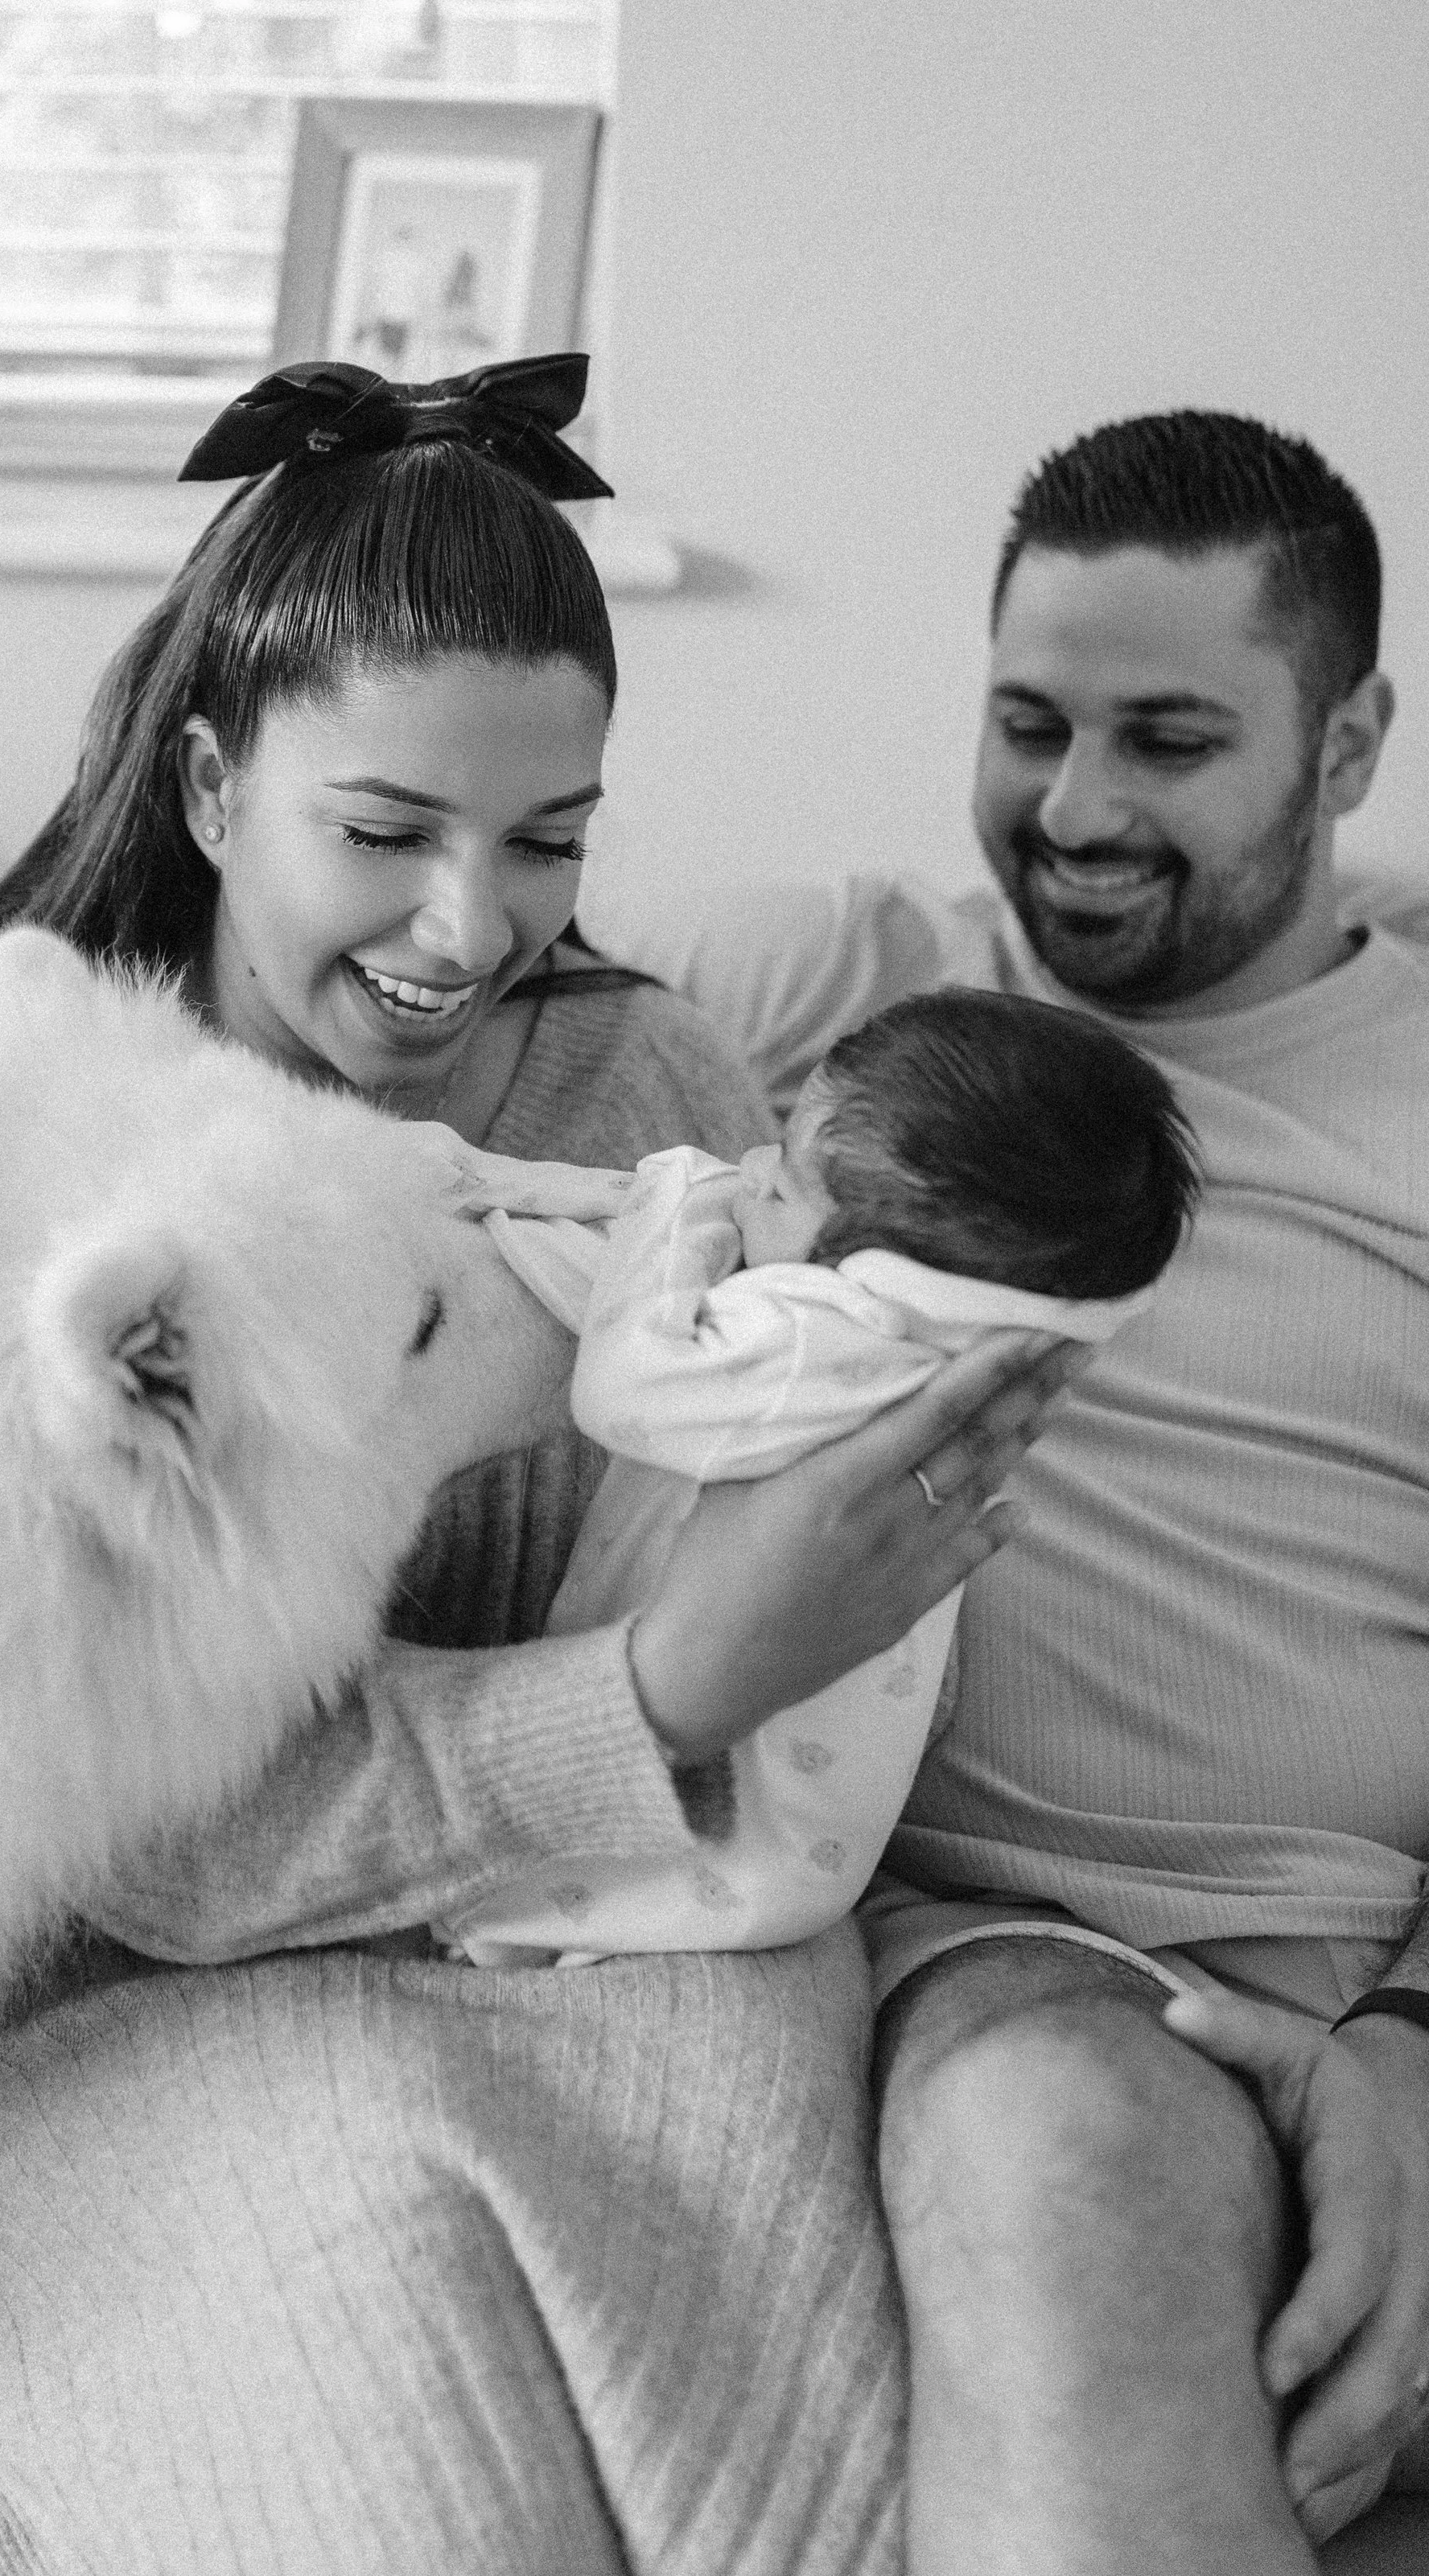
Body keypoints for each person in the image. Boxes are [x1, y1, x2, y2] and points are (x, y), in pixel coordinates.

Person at [0, 357, 1074, 2576]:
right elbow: (121, 1849)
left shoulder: (652, 1077)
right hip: (128, 2008)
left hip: (600, 1956)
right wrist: (657, 1694)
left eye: (547, 839)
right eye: (382, 833)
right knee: (383, 2384)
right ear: (204, 779)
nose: (470, 926)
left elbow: (770, 1519)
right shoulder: (39, 1163)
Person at [634, 408, 1429, 2571]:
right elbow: (374, 986)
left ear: (1346, 742)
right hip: (1041, 1952)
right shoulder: (837, 995)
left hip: (1378, 1952)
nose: (1069, 813)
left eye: (1168, 740)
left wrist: (1415, 2049)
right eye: (1026, 724)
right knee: (1048, 2141)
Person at [436, 989, 1200, 1968]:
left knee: (508, 1904)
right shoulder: (952, 1336)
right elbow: (588, 1265)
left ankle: (481, 1934)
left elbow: (624, 1385)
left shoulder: (817, 1334)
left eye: (785, 1183)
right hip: (799, 1841)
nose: (747, 1170)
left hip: (713, 1820)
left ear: (892, 1258)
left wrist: (677, 1195)